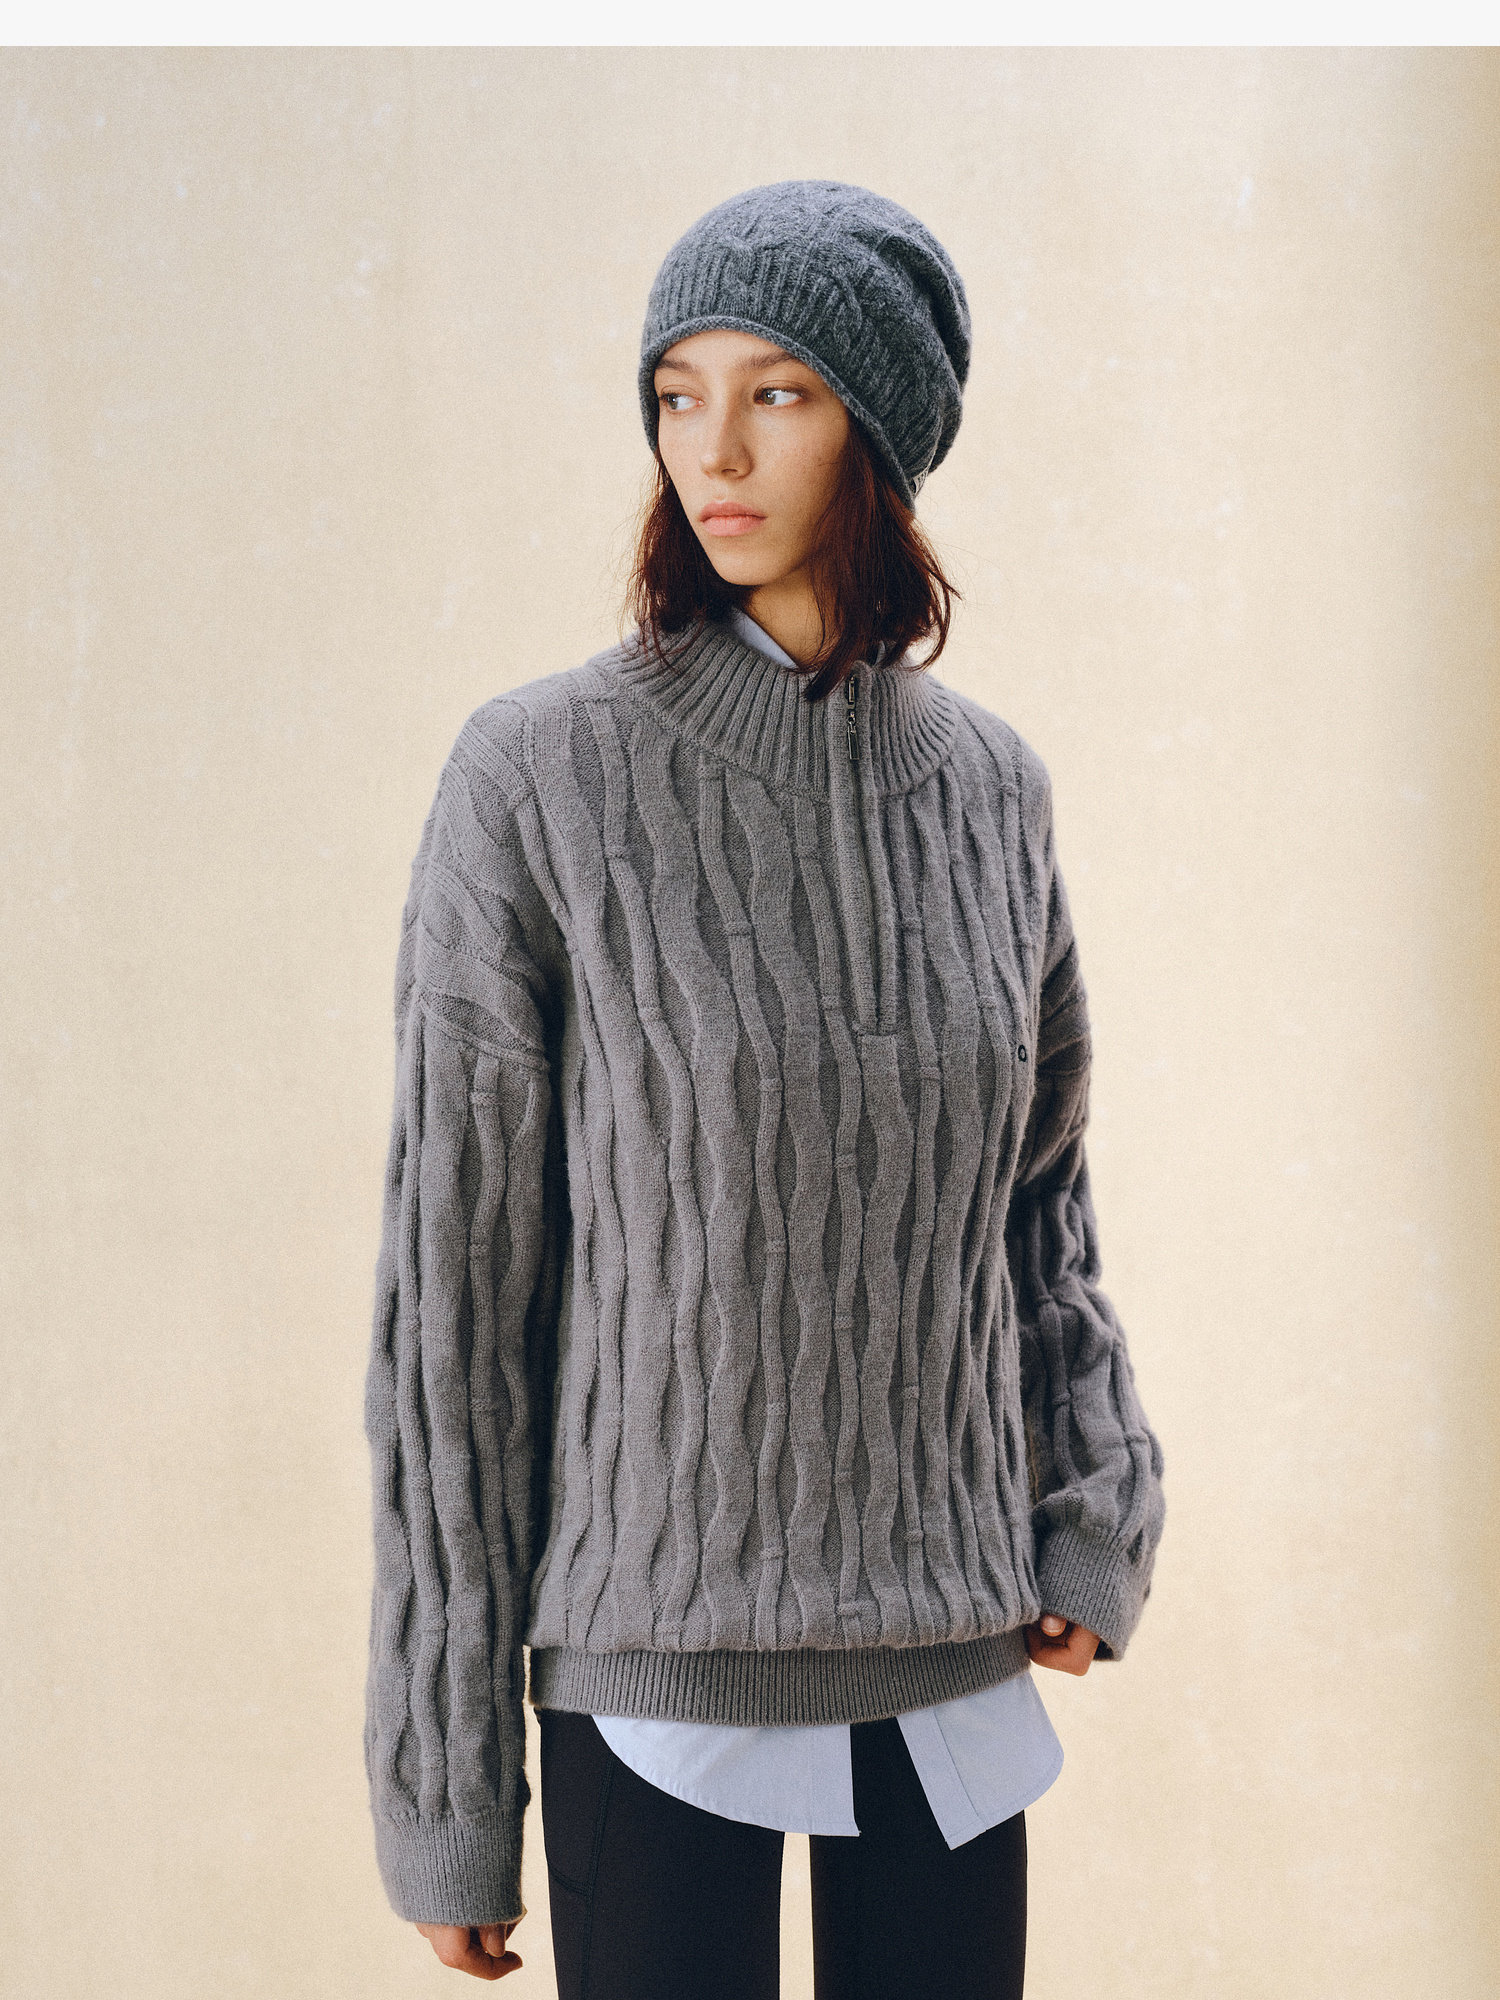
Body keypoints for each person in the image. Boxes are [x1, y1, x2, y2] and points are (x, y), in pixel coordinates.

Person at [362, 181, 1166, 2000]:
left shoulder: (992, 791)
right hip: (652, 1668)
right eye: (677, 393)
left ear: (878, 429)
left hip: (951, 1652)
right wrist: (443, 1781)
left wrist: (1093, 1502)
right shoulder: (537, 776)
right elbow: (455, 1322)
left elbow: (1036, 1205)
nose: (711, 450)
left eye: (778, 393)